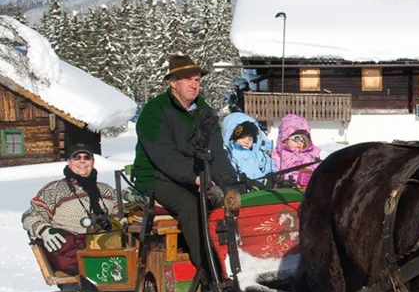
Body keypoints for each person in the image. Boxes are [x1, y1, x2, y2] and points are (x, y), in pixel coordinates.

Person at [133, 54, 237, 278]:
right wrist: (195, 178)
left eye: (197, 80)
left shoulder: (204, 112)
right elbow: (164, 156)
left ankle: (236, 264)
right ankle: (210, 271)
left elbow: (217, 152)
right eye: (187, 79)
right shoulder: (155, 111)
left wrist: (230, 183)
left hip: (196, 175)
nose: (194, 84)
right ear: (172, 82)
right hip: (156, 176)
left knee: (229, 204)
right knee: (192, 205)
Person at [22, 141, 119, 275]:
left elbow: (120, 216)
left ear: (93, 161)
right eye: (76, 157)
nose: (82, 161)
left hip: (109, 250)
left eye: (86, 157)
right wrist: (43, 229)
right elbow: (31, 214)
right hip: (72, 255)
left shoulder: (106, 190)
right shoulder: (55, 190)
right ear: (68, 162)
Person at [271, 113, 321, 189]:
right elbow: (278, 172)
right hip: (288, 189)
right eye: (296, 138)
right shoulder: (278, 155)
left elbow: (318, 170)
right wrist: (297, 178)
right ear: (285, 138)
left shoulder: (310, 156)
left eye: (304, 140)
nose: (300, 142)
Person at [221, 112, 271, 182]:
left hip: (260, 186)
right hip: (242, 187)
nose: (246, 142)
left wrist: (270, 175)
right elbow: (229, 171)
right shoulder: (231, 153)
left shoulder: (257, 153)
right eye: (243, 138)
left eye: (250, 139)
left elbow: (267, 164)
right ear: (233, 136)